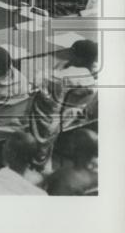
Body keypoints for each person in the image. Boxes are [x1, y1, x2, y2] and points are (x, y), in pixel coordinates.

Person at [29, 39, 98, 167]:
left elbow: (38, 78)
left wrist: (59, 70)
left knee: (33, 97)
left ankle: (37, 155)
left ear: (76, 56)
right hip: (77, 114)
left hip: (56, 119)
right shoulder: (94, 74)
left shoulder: (62, 77)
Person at [45, 129, 97, 196]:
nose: (69, 146)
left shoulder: (63, 176)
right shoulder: (97, 174)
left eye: (71, 144)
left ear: (75, 149)